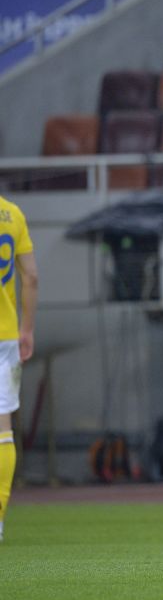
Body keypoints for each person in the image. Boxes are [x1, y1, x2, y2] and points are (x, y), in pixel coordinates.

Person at [0, 194, 37, 543]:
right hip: (6, 336)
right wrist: (27, 329)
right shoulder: (12, 214)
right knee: (3, 431)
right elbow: (31, 277)